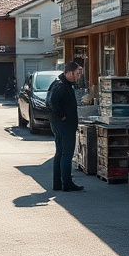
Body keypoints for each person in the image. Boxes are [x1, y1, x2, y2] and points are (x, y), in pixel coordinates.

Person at [46, 61, 85, 192]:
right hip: (64, 125)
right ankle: (67, 183)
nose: (78, 77)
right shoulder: (61, 85)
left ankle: (58, 183)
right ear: (69, 73)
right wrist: (62, 116)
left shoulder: (62, 83)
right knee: (66, 154)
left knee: (60, 153)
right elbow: (51, 102)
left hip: (60, 124)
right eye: (77, 74)